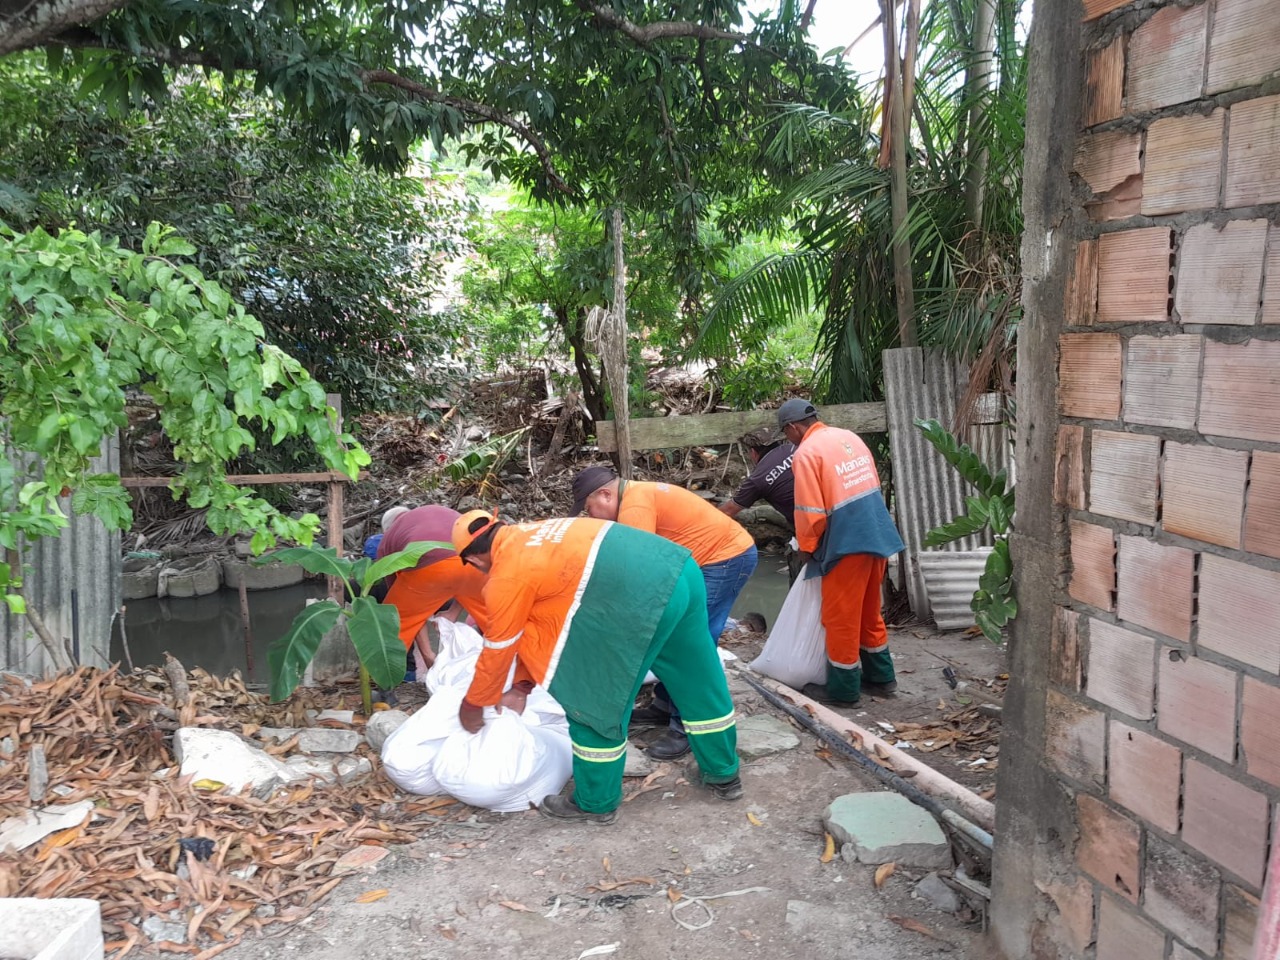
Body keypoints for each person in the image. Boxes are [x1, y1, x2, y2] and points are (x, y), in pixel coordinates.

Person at [451, 510, 742, 824]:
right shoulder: (540, 531)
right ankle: (723, 773)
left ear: (474, 559)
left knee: (593, 701)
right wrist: (522, 686)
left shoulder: (505, 576)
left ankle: (595, 802)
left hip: (641, 598)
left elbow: (500, 645)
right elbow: (536, 626)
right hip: (681, 569)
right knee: (698, 681)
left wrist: (474, 703)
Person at [570, 467, 757, 760]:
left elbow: (640, 575)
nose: (591, 516)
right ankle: (664, 705)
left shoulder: (635, 508)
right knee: (674, 636)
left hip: (724, 558)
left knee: (693, 646)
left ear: (605, 495)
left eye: (589, 508)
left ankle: (686, 726)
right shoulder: (634, 496)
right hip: (706, 559)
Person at [779, 398, 905, 706]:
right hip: (877, 535)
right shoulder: (848, 437)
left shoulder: (806, 453)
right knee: (868, 612)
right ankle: (881, 679)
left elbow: (810, 511)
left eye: (785, 433)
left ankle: (844, 691)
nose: (788, 439)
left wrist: (807, 548)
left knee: (840, 619)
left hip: (846, 544)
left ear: (793, 428)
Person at [376, 505, 489, 670]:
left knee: (394, 625)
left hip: (432, 568)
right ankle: (519, 674)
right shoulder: (436, 512)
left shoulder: (389, 539)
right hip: (474, 561)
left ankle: (385, 681)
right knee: (495, 623)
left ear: (387, 529)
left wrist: (428, 654)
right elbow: (464, 578)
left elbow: (407, 610)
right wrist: (452, 612)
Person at [718, 425, 802, 583]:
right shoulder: (795, 448)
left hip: (809, 530)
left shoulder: (757, 479)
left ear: (753, 452)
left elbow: (728, 511)